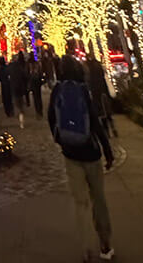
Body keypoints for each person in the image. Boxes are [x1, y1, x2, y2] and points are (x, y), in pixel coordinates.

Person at [48, 55, 114, 262]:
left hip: (71, 153)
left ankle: (85, 248)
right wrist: (107, 149)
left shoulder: (58, 90)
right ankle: (105, 244)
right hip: (90, 151)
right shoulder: (84, 90)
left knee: (80, 202)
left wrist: (60, 140)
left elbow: (51, 117)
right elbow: (94, 121)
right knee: (98, 198)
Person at [85, 50, 116, 137]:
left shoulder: (89, 68)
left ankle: (107, 131)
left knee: (101, 112)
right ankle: (113, 128)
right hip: (103, 90)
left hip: (96, 92)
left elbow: (88, 80)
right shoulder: (98, 65)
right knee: (107, 111)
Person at [9, 50, 29, 127]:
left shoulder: (11, 69)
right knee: (21, 103)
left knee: (16, 102)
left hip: (14, 89)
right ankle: (21, 115)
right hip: (20, 88)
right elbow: (25, 77)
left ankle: (19, 117)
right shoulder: (20, 69)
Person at [0, 53, 14, 118]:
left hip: (3, 85)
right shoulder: (7, 68)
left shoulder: (0, 69)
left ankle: (7, 111)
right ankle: (11, 110)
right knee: (9, 98)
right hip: (8, 84)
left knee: (5, 99)